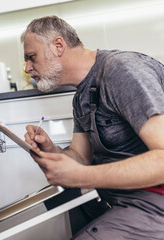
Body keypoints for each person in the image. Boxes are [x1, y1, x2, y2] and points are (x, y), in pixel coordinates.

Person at [22, 16, 164, 239]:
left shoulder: (122, 71)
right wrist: (51, 150)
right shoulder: (81, 97)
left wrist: (82, 176)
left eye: (32, 57)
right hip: (122, 202)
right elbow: (80, 157)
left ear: (58, 46)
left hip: (155, 203)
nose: (27, 68)